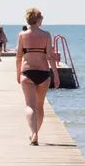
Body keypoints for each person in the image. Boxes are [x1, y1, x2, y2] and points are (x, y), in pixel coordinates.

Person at [16, 8, 60, 146]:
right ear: (38, 19)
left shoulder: (22, 35)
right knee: (39, 106)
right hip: (43, 72)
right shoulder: (46, 35)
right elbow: (50, 57)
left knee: (30, 105)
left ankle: (33, 133)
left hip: (27, 72)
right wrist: (56, 74)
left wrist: (18, 74)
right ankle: (35, 133)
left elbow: (18, 57)